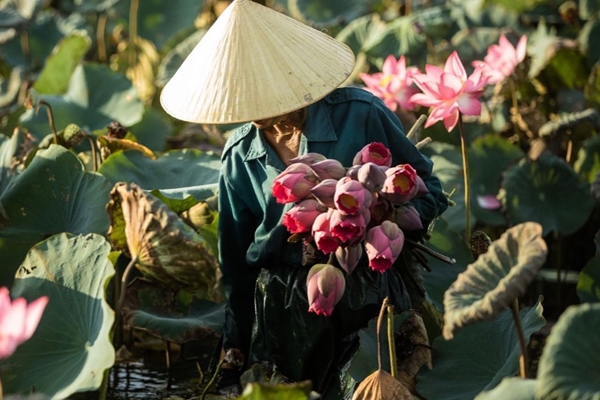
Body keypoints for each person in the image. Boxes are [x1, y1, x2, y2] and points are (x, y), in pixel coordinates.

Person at [160, 0, 448, 398]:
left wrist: (384, 223)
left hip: (370, 293)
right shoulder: (239, 154)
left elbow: (428, 188)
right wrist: (235, 344)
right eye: (247, 101)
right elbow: (237, 264)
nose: (260, 112)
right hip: (282, 303)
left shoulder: (360, 114)